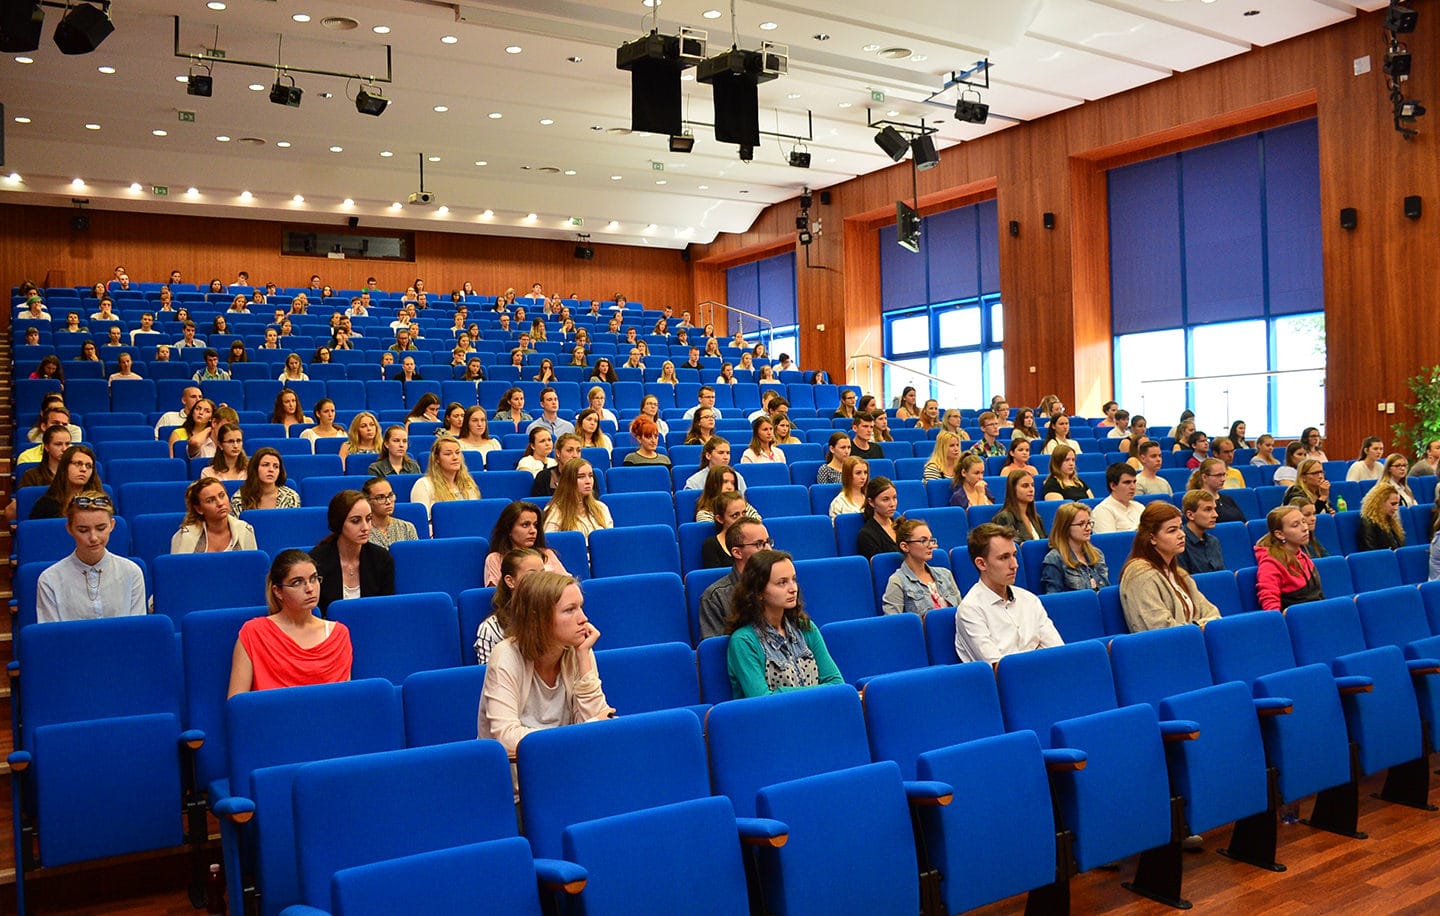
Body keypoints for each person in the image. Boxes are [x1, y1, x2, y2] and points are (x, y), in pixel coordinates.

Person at [477, 570, 613, 760]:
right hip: (517, 780)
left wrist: (583, 658)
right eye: (569, 610)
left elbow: (601, 728)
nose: (583, 618)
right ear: (539, 619)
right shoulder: (506, 655)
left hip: (569, 766)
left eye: (581, 607)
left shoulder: (580, 649)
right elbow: (506, 738)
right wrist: (581, 732)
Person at [227, 550, 353, 696]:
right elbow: (237, 704)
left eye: (313, 579)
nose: (310, 589)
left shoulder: (338, 634)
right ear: (278, 591)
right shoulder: (254, 633)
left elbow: (344, 700)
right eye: (297, 583)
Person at [725, 550, 843, 697]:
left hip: (816, 714)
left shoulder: (806, 627)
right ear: (759, 592)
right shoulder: (743, 641)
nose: (793, 588)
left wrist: (779, 693)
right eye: (782, 583)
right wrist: (819, 691)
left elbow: (837, 683)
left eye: (794, 579)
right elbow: (762, 700)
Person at [955, 523, 1064, 665]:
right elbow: (998, 668)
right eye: (1004, 557)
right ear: (982, 564)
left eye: (1014, 555)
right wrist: (1037, 651)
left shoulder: (1029, 599)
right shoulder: (970, 610)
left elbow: (1058, 652)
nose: (1014, 565)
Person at [35, 494, 146, 624]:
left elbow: (137, 630)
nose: (93, 537)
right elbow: (51, 637)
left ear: (112, 525)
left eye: (101, 528)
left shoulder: (131, 572)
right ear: (69, 529)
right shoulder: (50, 579)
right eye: (83, 530)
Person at [1118, 502, 1220, 632]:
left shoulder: (1179, 573)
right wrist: (1200, 629)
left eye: (1180, 528)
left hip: (1193, 642)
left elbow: (1211, 612)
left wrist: (1199, 628)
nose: (1182, 535)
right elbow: (1160, 629)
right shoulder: (1140, 575)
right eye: (1172, 530)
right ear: (1152, 538)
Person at [308, 490, 396, 615]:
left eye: (369, 519)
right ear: (339, 523)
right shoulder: (317, 561)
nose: (365, 527)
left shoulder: (382, 559)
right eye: (356, 521)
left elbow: (387, 609)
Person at [474, 548, 547, 664]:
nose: (541, 580)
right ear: (510, 581)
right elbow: (490, 677)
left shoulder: (556, 617)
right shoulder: (491, 628)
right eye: (532, 574)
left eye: (543, 573)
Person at [882, 518, 962, 615]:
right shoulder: (897, 581)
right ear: (905, 546)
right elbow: (894, 623)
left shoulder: (945, 574)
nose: (931, 545)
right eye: (923, 540)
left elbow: (961, 612)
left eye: (931, 540)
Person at [1254, 505, 1325, 611]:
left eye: (1303, 521)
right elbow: (1271, 606)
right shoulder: (1270, 563)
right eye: (1295, 525)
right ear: (1280, 534)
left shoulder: (1302, 555)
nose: (1305, 528)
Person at [484, 501, 567, 586]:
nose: (533, 531)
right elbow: (498, 596)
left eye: (535, 525)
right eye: (525, 525)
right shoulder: (496, 559)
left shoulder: (547, 554)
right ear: (509, 529)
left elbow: (567, 585)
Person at [1040, 503, 1110, 594]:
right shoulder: (1054, 559)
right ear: (1065, 527)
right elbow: (1055, 600)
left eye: (1089, 523)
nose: (1088, 528)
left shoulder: (1097, 554)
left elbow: (1106, 590)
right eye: (1081, 524)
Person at [410, 437, 481, 517]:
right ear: (437, 459)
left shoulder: (468, 484)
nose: (455, 457)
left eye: (457, 453)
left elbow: (475, 515)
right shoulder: (424, 485)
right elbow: (421, 521)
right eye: (448, 454)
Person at [543, 459, 613, 539]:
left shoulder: (601, 508)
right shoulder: (554, 511)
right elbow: (550, 544)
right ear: (568, 481)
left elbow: (610, 541)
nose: (588, 481)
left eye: (590, 476)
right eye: (581, 477)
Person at [29, 445, 103, 520]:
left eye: (88, 466)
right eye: (78, 464)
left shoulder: (101, 502)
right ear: (64, 467)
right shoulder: (46, 505)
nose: (84, 469)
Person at [231, 447, 301, 512]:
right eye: (265, 465)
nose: (271, 470)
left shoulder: (291, 497)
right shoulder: (240, 498)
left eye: (276, 466)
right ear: (255, 468)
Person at [360, 476, 417, 549]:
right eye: (380, 497)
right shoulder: (363, 531)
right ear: (368, 501)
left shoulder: (407, 528)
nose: (388, 502)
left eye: (390, 495)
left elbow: (415, 556)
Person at [1177, 490, 1224, 575]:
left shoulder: (1213, 541)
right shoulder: (1180, 543)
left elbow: (1221, 576)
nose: (1215, 515)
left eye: (1214, 509)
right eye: (1208, 509)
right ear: (1190, 515)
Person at [993, 470, 1047, 543]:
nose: (1031, 489)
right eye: (1025, 486)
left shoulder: (1037, 518)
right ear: (1013, 489)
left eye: (1032, 485)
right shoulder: (1005, 517)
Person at [703, 491, 752, 569]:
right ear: (720, 519)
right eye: (735, 515)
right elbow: (715, 578)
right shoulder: (711, 545)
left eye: (744, 513)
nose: (742, 519)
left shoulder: (754, 539)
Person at [1189, 458, 1247, 522]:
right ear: (1204, 477)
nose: (1223, 479)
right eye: (1218, 475)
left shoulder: (1227, 499)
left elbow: (1243, 521)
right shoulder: (1197, 502)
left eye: (1224, 474)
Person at [856, 476, 901, 559]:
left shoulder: (901, 524)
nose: (892, 504)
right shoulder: (867, 535)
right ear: (871, 502)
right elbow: (880, 567)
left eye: (894, 498)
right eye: (885, 499)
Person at [1091, 462, 1143, 533]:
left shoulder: (1139, 507)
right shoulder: (1103, 510)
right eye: (1127, 482)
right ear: (1113, 486)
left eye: (1134, 482)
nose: (1133, 487)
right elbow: (1110, 541)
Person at [684, 437, 748, 492]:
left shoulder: (737, 477)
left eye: (728, 453)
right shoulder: (695, 482)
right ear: (708, 455)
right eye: (721, 453)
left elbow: (745, 503)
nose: (726, 457)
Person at [1357, 482, 1405, 551]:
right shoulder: (1368, 523)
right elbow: (1371, 552)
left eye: (1397, 504)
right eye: (1393, 504)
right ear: (1380, 502)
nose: (1396, 508)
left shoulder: (1391, 521)